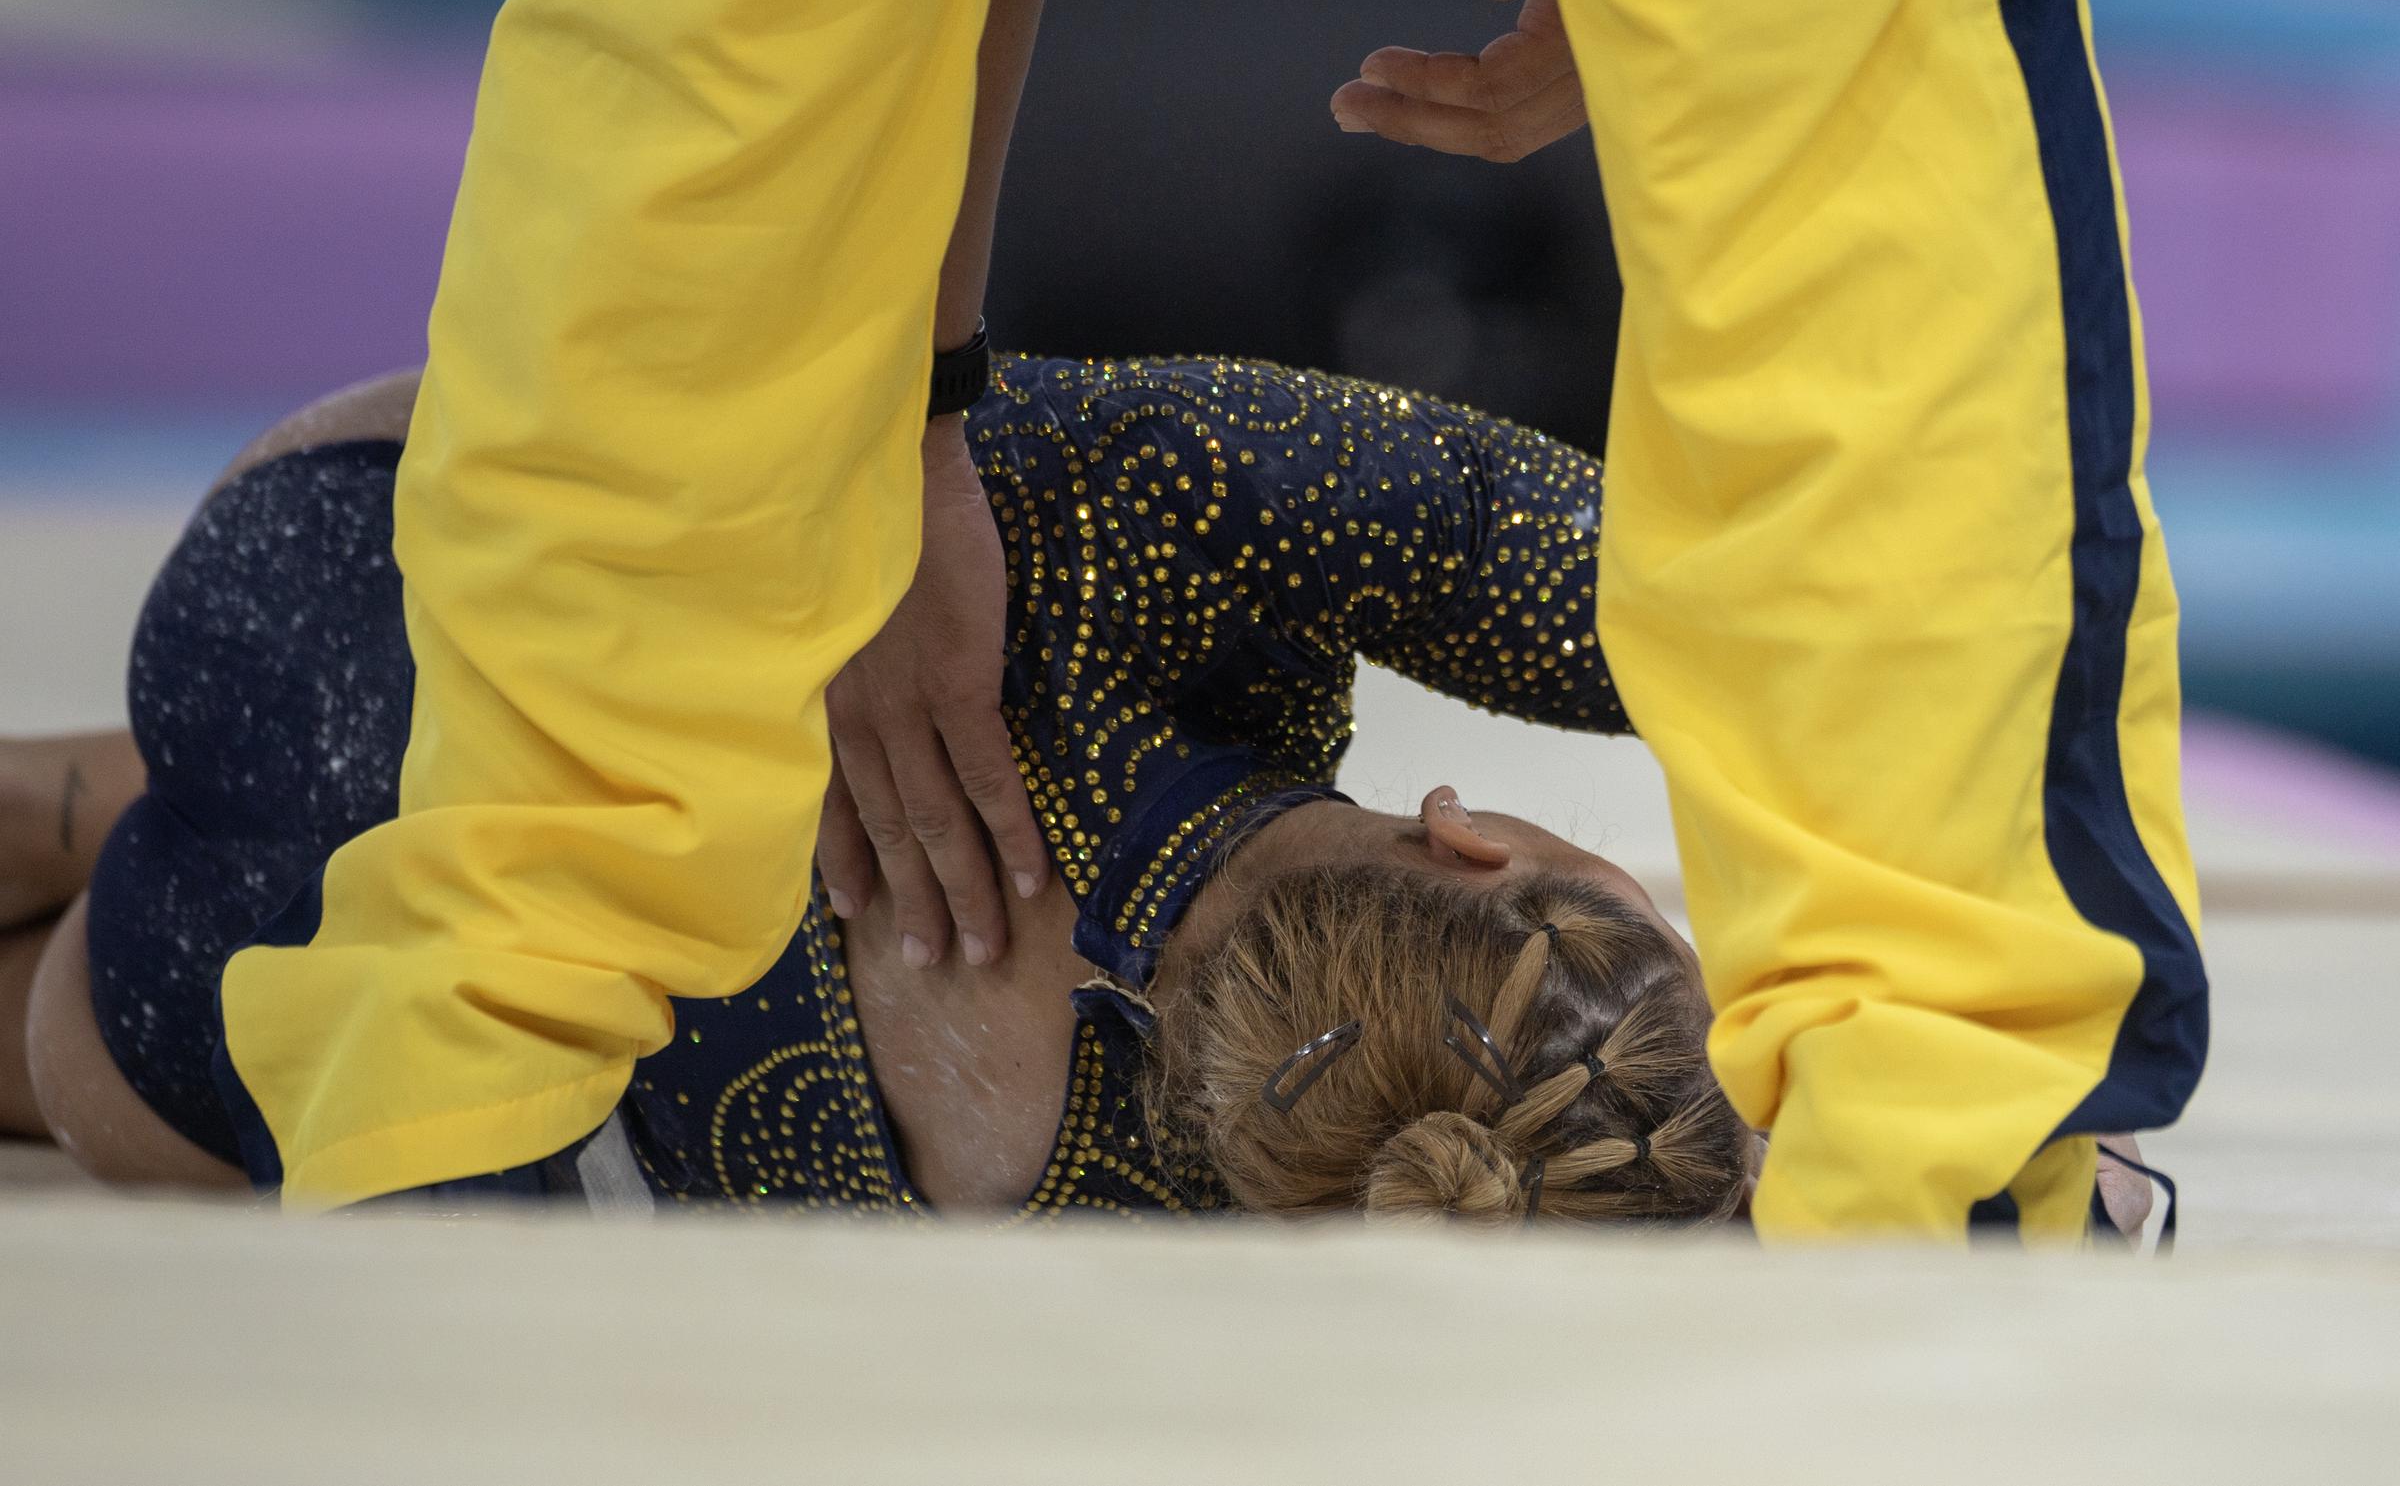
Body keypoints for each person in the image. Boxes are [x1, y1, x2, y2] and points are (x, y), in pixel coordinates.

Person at [218, 0, 2207, 1236]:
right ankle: (1963, 1140)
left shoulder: (1195, 521)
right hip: (319, 867)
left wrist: (889, 412)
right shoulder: (1085, 1151)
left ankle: (456, 1071)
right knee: (1819, 15)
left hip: (397, 623)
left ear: (1472, 839)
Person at [3, 357, 1765, 1224]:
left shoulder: (1150, 527)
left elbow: (1681, 597)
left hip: (317, 579)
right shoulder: (1124, 1221)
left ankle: (83, 797)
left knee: (507, 724)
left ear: (1473, 839)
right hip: (209, 1043)